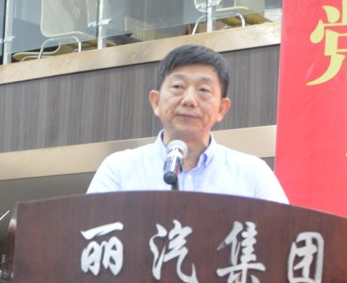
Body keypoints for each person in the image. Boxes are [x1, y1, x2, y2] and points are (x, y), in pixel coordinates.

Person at [87, 44, 288, 203]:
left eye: (203, 90)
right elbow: (90, 235)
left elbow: (283, 235)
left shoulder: (253, 173)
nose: (189, 100)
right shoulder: (119, 169)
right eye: (178, 86)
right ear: (156, 102)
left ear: (221, 108)